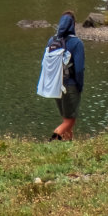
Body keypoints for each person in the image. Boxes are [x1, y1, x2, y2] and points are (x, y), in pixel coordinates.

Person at [47, 12, 85, 141]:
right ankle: (50, 143)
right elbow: (79, 69)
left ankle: (69, 145)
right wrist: (79, 86)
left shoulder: (51, 41)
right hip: (70, 85)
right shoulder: (76, 43)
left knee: (67, 118)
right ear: (73, 25)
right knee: (69, 121)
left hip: (56, 85)